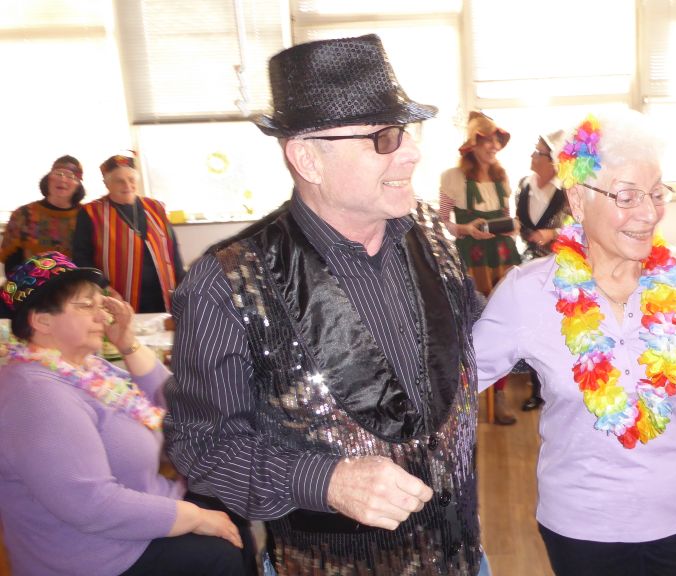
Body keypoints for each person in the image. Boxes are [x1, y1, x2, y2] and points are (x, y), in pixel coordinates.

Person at [163, 35, 486, 575]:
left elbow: (477, 339)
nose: (411, 152)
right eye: (383, 137)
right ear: (308, 158)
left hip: (465, 558)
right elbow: (201, 445)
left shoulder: (431, 234)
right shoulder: (227, 283)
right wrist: (326, 481)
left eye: (406, 132)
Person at [473, 111, 676, 576]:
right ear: (578, 198)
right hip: (584, 528)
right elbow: (452, 388)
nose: (649, 213)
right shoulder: (527, 292)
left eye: (657, 193)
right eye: (627, 196)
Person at [0, 251, 244, 576]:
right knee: (222, 554)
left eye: (100, 304)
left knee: (237, 498)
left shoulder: (89, 368)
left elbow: (179, 409)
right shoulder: (36, 396)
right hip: (96, 556)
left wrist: (127, 342)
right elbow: (89, 503)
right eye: (86, 305)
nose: (102, 315)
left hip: (140, 515)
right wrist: (195, 517)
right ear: (42, 320)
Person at [439, 111, 521, 424]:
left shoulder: (501, 176)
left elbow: (508, 216)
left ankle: (499, 393)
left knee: (505, 323)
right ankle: (466, 396)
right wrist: (466, 228)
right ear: (472, 144)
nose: (494, 147)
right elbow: (441, 221)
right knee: (470, 325)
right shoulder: (453, 177)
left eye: (497, 142)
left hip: (502, 257)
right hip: (472, 259)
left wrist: (512, 226)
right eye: (488, 141)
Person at [73, 154, 185, 313]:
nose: (127, 185)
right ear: (107, 184)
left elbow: (173, 249)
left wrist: (183, 283)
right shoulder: (91, 212)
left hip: (163, 294)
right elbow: (81, 258)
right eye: (119, 181)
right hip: (118, 296)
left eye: (131, 179)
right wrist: (104, 288)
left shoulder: (156, 207)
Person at [514, 130, 569, 411]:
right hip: (530, 265)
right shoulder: (524, 185)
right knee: (535, 326)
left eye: (539, 153)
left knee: (560, 326)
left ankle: (563, 388)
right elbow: (520, 222)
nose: (532, 156)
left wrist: (554, 233)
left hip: (561, 267)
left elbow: (582, 226)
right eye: (534, 151)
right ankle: (538, 389)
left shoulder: (566, 190)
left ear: (553, 160)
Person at [1, 155, 86, 273]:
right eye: (58, 174)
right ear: (48, 179)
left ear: (78, 185)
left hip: (77, 283)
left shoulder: (86, 216)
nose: (63, 180)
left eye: (71, 176)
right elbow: (11, 265)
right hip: (30, 282)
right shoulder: (23, 215)